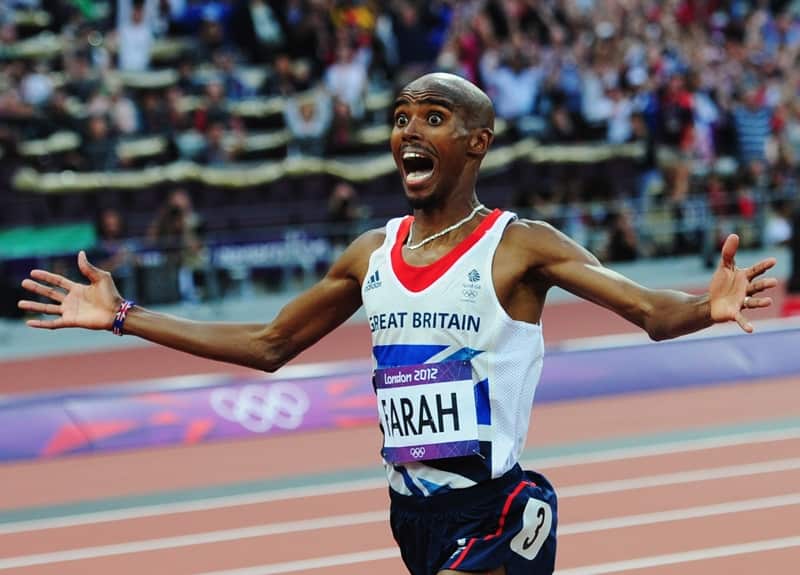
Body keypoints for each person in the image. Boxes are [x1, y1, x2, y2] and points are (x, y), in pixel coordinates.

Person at [16, 73, 777, 575]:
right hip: (410, 514)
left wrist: (705, 305)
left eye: (433, 118)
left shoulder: (520, 245)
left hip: (495, 513)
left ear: (477, 143)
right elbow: (268, 344)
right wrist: (123, 315)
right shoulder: (370, 253)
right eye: (401, 118)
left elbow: (647, 311)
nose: (409, 131)